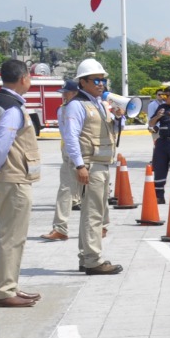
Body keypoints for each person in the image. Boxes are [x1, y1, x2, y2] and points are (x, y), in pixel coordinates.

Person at [0, 60, 42, 305]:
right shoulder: (13, 108)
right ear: (23, 78)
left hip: (4, 178)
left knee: (10, 235)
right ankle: (4, 291)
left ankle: (10, 286)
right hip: (14, 178)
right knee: (12, 237)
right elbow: (2, 144)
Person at [59, 58, 124, 276]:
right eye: (96, 80)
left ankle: (85, 256)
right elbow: (71, 137)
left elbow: (108, 131)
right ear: (83, 82)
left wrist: (117, 118)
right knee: (94, 213)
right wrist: (79, 165)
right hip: (90, 164)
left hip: (101, 164)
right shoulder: (77, 105)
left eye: (103, 80)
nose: (101, 84)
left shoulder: (98, 104)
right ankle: (93, 259)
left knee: (94, 212)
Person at [42, 80, 84, 243]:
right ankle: (60, 228)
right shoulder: (62, 110)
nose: (64, 95)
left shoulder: (86, 107)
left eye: (67, 92)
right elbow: (66, 134)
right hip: (70, 152)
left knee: (91, 192)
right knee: (65, 189)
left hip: (85, 153)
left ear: (75, 93)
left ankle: (100, 225)